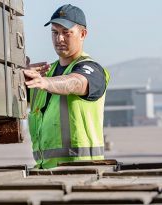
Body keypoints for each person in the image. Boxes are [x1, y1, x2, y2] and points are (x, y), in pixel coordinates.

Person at [24, 4, 110, 169]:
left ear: (83, 34)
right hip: (46, 170)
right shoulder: (45, 74)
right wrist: (17, 77)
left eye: (66, 33)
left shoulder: (92, 70)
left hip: (83, 170)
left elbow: (76, 82)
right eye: (55, 32)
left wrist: (46, 83)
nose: (59, 39)